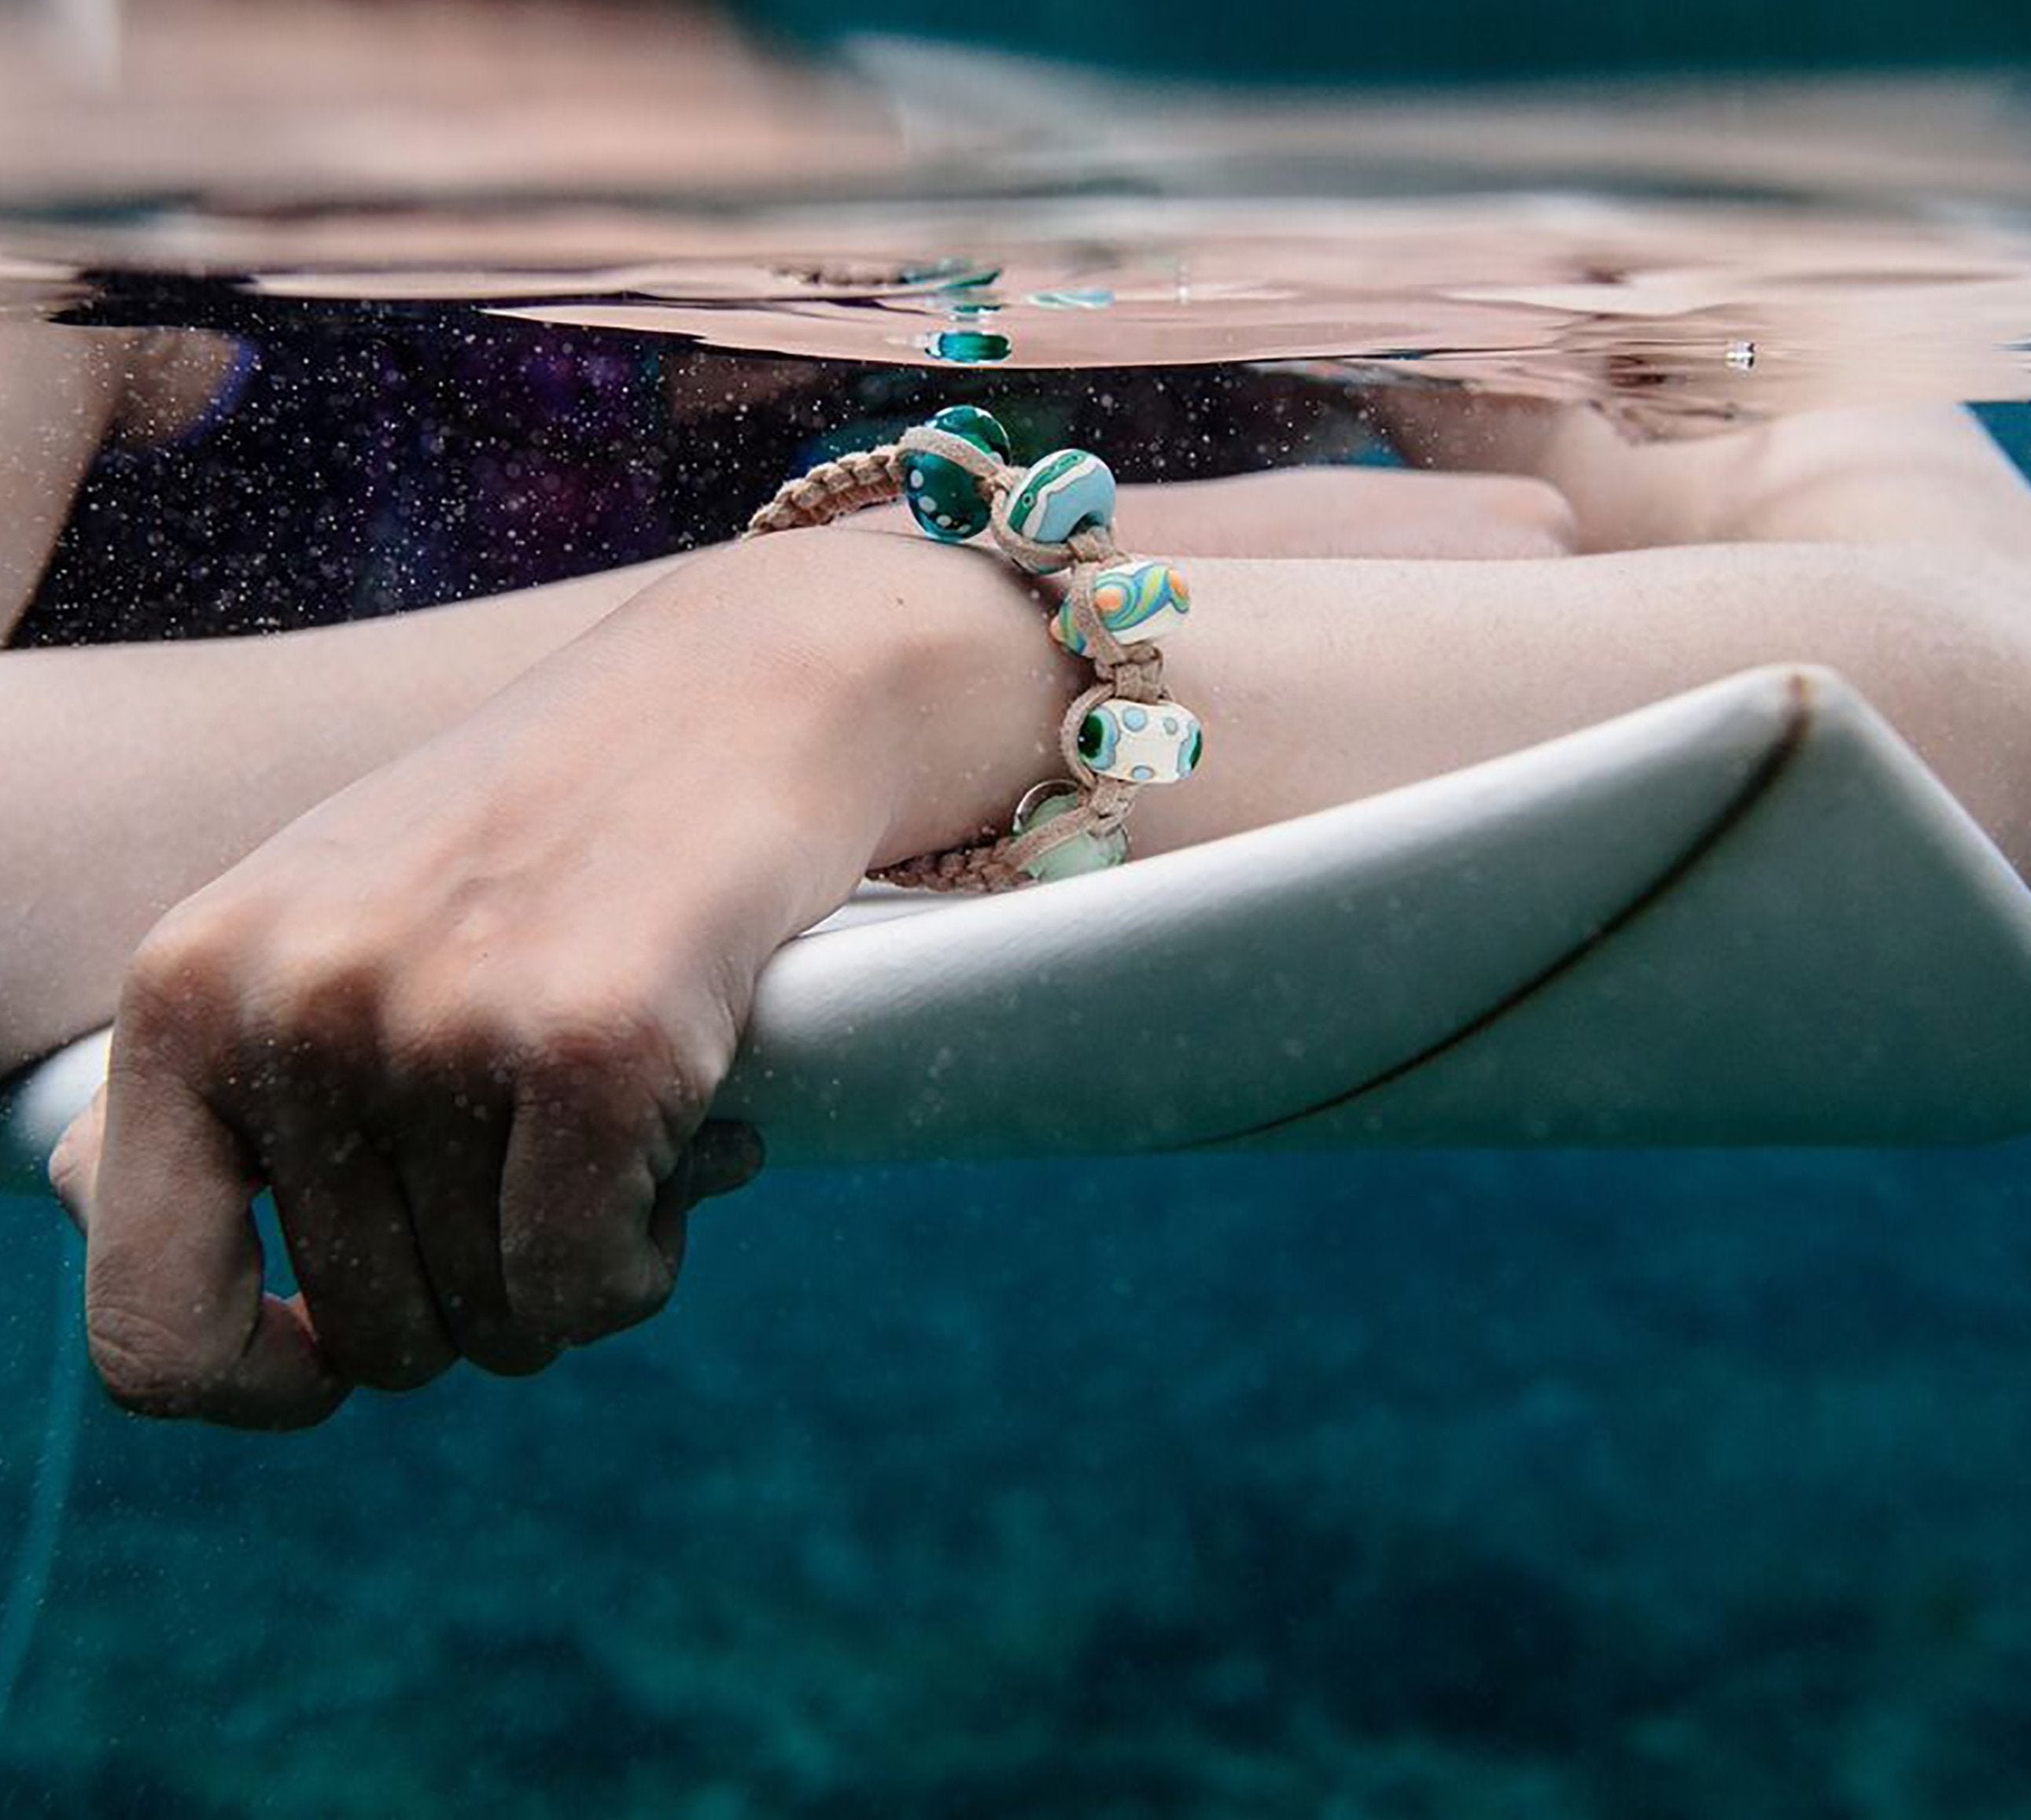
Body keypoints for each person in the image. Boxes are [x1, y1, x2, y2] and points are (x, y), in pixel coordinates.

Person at [8, 354, 2030, 1429]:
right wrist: (809, 623)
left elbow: (2000, 677)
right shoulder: (114, 163)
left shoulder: (1374, 130)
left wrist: (900, 665)